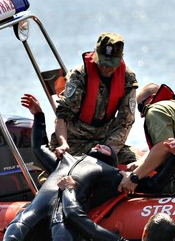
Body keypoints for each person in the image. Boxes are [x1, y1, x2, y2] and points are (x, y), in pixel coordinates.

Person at [0, 94, 175, 241]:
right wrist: (39, 115)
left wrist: (174, 157)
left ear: (112, 159)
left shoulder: (112, 173)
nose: (101, 145)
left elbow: (154, 185)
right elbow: (39, 148)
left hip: (64, 217)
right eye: (100, 144)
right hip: (35, 209)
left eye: (107, 147)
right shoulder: (64, 159)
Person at [53, 32, 139, 165]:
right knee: (71, 167)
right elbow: (62, 114)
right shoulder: (79, 75)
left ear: (120, 59)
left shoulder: (127, 78)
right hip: (74, 141)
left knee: (137, 163)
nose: (106, 67)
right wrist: (63, 143)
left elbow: (126, 120)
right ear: (95, 54)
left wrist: (109, 150)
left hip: (105, 141)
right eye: (103, 62)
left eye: (111, 64)